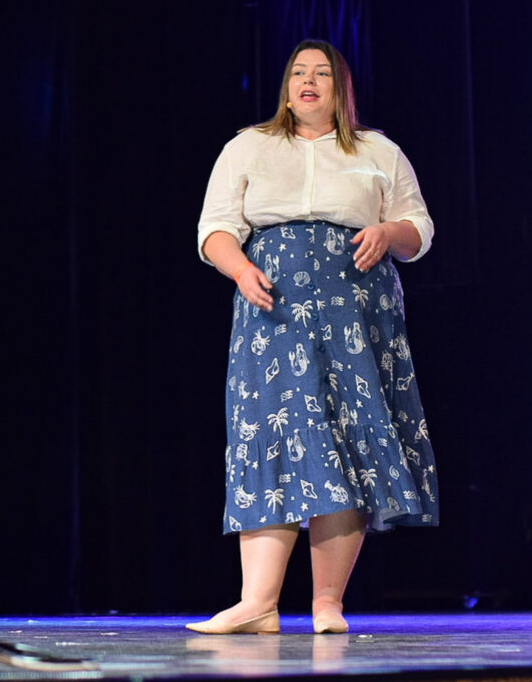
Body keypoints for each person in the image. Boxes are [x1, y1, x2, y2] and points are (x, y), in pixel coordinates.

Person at [187, 39, 439, 636]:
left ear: (340, 87)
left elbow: (419, 229)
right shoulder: (249, 146)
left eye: (322, 73)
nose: (308, 81)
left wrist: (388, 230)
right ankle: (258, 603)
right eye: (298, 72)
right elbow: (216, 227)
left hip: (357, 309)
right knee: (268, 432)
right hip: (273, 305)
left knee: (343, 438)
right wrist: (241, 268)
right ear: (285, 85)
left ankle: (328, 603)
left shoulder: (379, 151)